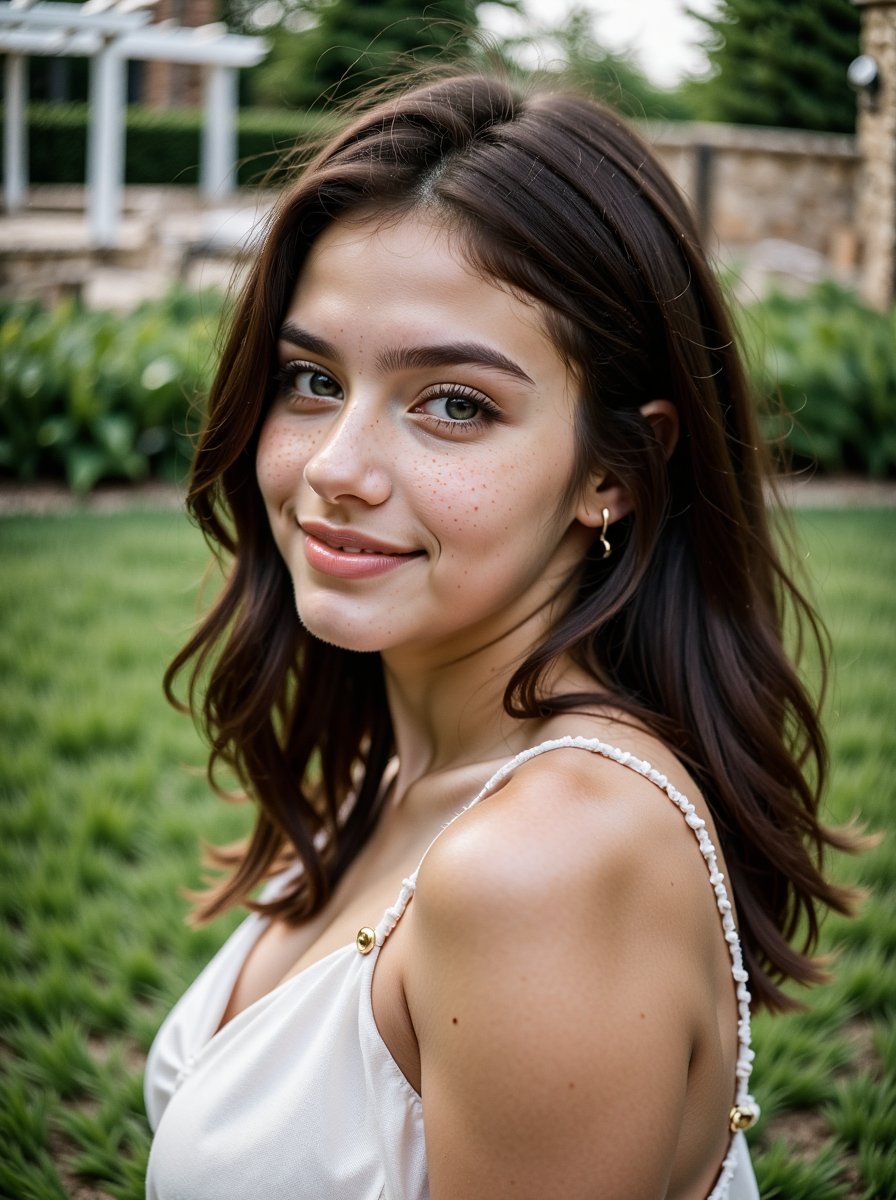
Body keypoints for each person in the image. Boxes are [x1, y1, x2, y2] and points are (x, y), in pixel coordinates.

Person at [143, 73, 856, 1199]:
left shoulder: (542, 869)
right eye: (310, 379)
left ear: (612, 473)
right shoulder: (402, 762)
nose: (335, 468)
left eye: (455, 404)